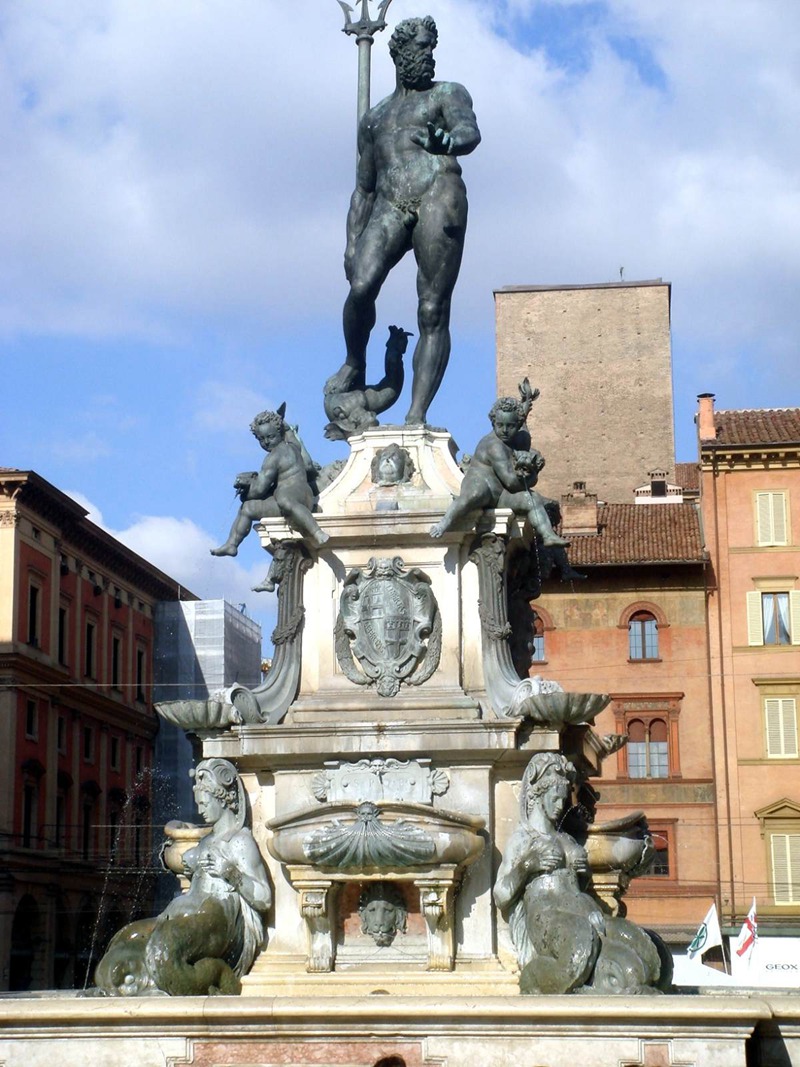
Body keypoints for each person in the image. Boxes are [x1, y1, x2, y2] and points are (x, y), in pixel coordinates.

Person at [333, 15, 481, 426]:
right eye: (420, 48)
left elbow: (469, 132)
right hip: (389, 203)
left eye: (431, 48)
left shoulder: (448, 94)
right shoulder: (375, 118)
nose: (428, 56)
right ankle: (353, 360)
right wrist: (351, 242)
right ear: (399, 53)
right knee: (360, 285)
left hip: (438, 194)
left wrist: (449, 140)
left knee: (432, 309)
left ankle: (417, 415)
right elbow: (363, 188)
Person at [94, 758, 272, 996]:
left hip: (215, 915)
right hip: (183, 912)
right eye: (198, 803)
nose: (200, 809)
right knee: (126, 937)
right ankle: (135, 984)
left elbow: (264, 898)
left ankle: (217, 975)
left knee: (164, 946)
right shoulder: (207, 841)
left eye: (204, 803)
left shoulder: (240, 841)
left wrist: (230, 872)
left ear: (222, 798)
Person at [430, 384, 569, 545]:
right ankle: (445, 522)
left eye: (510, 426)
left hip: (502, 493)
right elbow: (511, 481)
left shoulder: (521, 438)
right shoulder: (494, 445)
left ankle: (548, 535)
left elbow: (523, 423)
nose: (504, 430)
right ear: (493, 423)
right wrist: (531, 472)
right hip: (484, 485)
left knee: (532, 499)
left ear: (517, 426)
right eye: (500, 425)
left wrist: (532, 470)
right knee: (473, 495)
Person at [211, 406, 329, 555]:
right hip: (303, 495)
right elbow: (290, 433)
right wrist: (283, 423)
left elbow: (260, 489)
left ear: (279, 433)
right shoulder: (294, 446)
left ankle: (317, 532)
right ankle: (231, 544)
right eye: (262, 439)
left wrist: (246, 489)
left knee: (283, 499)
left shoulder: (273, 457)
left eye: (270, 437)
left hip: (294, 499)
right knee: (247, 508)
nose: (266, 442)